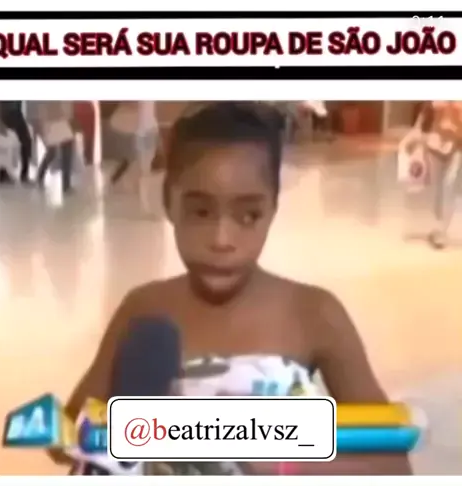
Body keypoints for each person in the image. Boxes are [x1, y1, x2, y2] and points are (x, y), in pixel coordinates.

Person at [60, 102, 411, 475]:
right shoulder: (144, 309)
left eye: (248, 215)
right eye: (201, 212)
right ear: (168, 203)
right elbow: (66, 437)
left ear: (273, 209)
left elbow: (392, 463)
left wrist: (288, 465)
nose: (222, 239)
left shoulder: (315, 315)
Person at [400, 101, 462, 249]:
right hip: (435, 145)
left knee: (448, 186)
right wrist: (415, 137)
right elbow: (423, 117)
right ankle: (438, 226)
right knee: (437, 189)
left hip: (456, 146)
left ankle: (442, 230)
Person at [0, 101, 33, 185]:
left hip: (7, 111)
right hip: (11, 111)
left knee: (5, 142)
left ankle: (3, 174)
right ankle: (24, 175)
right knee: (26, 142)